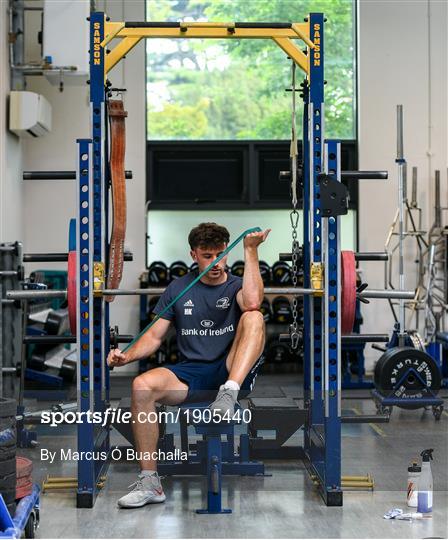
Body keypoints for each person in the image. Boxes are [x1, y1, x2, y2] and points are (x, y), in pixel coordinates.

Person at [107, 222, 270, 508]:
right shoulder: (179, 288)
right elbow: (155, 337)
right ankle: (150, 482)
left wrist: (250, 251)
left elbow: (254, 301)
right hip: (190, 373)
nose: (216, 262)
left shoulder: (235, 286)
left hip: (231, 372)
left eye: (221, 254)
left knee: (254, 317)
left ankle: (228, 394)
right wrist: (127, 356)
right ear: (193, 255)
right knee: (141, 385)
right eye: (208, 255)